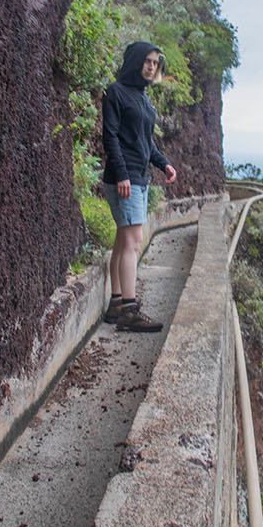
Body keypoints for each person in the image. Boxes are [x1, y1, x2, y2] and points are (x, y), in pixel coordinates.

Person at [101, 41, 177, 331]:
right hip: (126, 178)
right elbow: (110, 136)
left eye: (155, 63)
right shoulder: (115, 92)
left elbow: (146, 142)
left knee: (123, 241)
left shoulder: (143, 99)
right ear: (135, 60)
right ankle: (129, 312)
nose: (151, 66)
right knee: (133, 242)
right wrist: (121, 174)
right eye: (147, 60)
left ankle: (116, 304)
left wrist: (163, 163)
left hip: (139, 177)